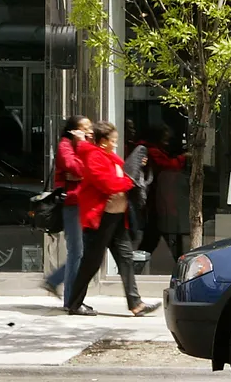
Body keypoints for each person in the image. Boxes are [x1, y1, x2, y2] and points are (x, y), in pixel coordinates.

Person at [66, 121, 160, 317]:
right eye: (113, 140)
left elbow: (123, 171)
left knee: (125, 258)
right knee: (91, 262)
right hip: (100, 219)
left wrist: (135, 169)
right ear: (102, 142)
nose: (116, 144)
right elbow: (107, 184)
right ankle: (74, 304)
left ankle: (136, 303)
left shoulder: (107, 155)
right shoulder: (93, 156)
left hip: (116, 217)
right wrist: (129, 182)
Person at [41, 115, 92, 308]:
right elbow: (76, 168)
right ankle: (71, 300)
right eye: (84, 127)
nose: (89, 130)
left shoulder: (83, 145)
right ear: (73, 131)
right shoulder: (65, 145)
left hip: (85, 203)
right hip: (73, 203)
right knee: (77, 252)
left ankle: (55, 281)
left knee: (84, 252)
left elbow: (91, 167)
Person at [136, 124, 188, 257]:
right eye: (165, 138)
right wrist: (183, 158)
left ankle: (134, 267)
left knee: (153, 238)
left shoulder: (155, 150)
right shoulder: (152, 151)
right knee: (165, 235)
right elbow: (168, 167)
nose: (167, 141)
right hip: (158, 200)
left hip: (160, 200)